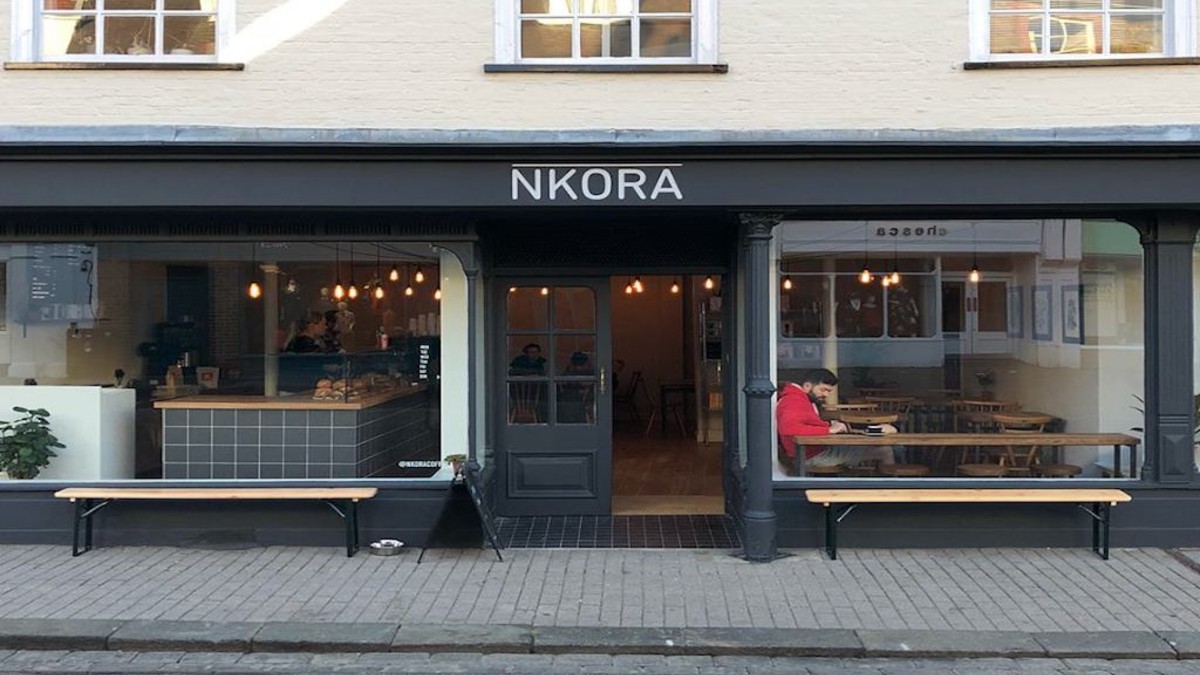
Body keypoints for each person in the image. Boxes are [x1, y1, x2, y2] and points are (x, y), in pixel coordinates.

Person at [776, 368, 896, 475]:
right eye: (823, 389)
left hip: (810, 452)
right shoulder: (794, 400)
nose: (826, 394)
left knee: (884, 448)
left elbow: (803, 422)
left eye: (829, 391)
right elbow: (789, 428)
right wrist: (828, 430)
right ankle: (888, 493)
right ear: (807, 386)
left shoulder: (799, 398)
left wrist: (829, 424)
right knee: (885, 451)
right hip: (810, 456)